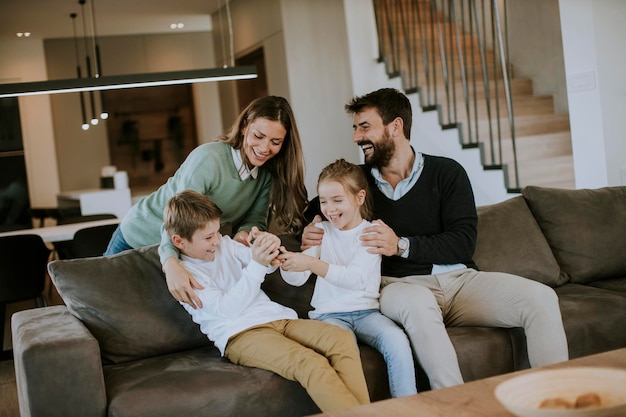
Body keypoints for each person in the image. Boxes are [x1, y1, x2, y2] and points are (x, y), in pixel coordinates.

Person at [301, 88, 569, 390]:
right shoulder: (357, 183)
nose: (356, 137)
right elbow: (317, 209)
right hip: (399, 287)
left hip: (460, 281)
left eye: (365, 127)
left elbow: (462, 243)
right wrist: (308, 231)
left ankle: (557, 402)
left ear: (396, 127)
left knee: (541, 298)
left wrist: (401, 245)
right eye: (355, 128)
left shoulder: (447, 173)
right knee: (418, 305)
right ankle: (456, 405)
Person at [162, 190, 370, 412]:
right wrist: (258, 264)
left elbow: (266, 264)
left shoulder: (225, 244)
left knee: (341, 339)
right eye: (208, 237)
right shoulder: (183, 278)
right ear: (179, 241)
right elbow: (227, 309)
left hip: (279, 319)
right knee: (310, 363)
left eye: (216, 232)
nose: (216, 241)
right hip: (241, 334)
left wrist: (266, 246)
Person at [104, 95, 308, 309]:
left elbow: (255, 218)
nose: (265, 148)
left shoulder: (265, 176)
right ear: (244, 127)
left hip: (182, 249)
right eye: (258, 136)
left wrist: (244, 235)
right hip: (140, 234)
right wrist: (170, 262)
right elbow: (178, 216)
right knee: (105, 303)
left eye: (275, 142)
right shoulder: (209, 159)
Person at [279, 158, 417, 397]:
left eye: (337, 200)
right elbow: (298, 278)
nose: (329, 209)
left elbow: (355, 279)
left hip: (366, 313)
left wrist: (311, 262)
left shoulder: (372, 232)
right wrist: (286, 264)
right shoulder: (321, 230)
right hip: (329, 315)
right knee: (344, 349)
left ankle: (406, 408)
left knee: (396, 340)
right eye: (323, 201)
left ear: (359, 198)